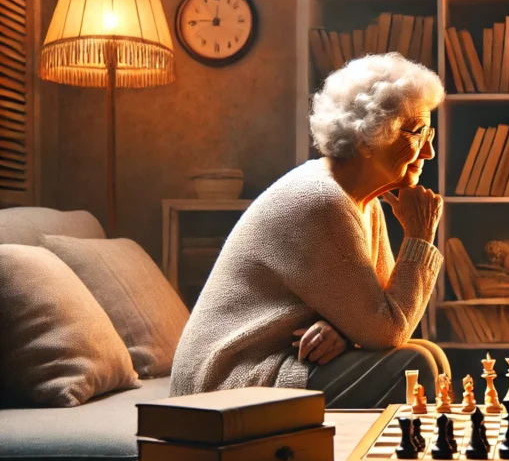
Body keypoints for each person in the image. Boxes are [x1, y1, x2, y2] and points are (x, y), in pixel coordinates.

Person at [170, 53, 450, 407]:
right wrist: (419, 237)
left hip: (280, 362)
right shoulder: (320, 202)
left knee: (428, 354)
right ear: (367, 137)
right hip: (227, 382)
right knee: (414, 363)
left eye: (430, 132)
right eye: (418, 132)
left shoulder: (365, 202)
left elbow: (382, 316)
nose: (429, 150)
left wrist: (347, 334)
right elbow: (389, 329)